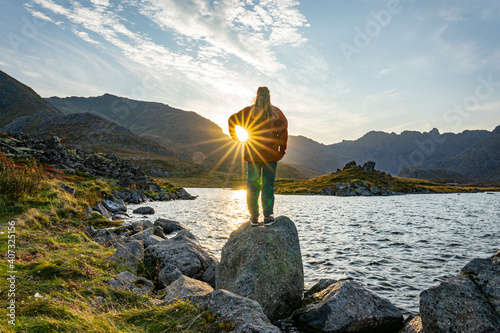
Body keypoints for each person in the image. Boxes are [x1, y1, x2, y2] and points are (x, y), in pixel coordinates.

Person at [228, 87, 288, 227]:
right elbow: (284, 133)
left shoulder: (249, 112)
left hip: (253, 154)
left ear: (256, 96)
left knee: (252, 185)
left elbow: (231, 120)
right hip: (271, 155)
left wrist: (235, 137)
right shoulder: (277, 113)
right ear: (269, 96)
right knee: (268, 185)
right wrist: (281, 151)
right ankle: (267, 217)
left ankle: (254, 218)